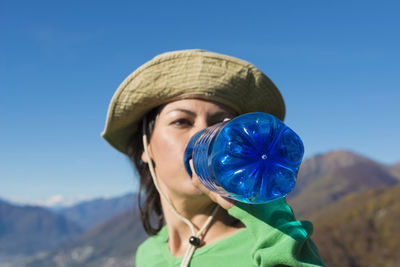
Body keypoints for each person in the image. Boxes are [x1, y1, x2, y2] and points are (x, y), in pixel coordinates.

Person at [102, 49, 325, 267]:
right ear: (146, 145)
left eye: (221, 124)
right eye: (182, 121)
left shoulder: (269, 247)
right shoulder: (148, 254)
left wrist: (268, 213)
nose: (201, 135)